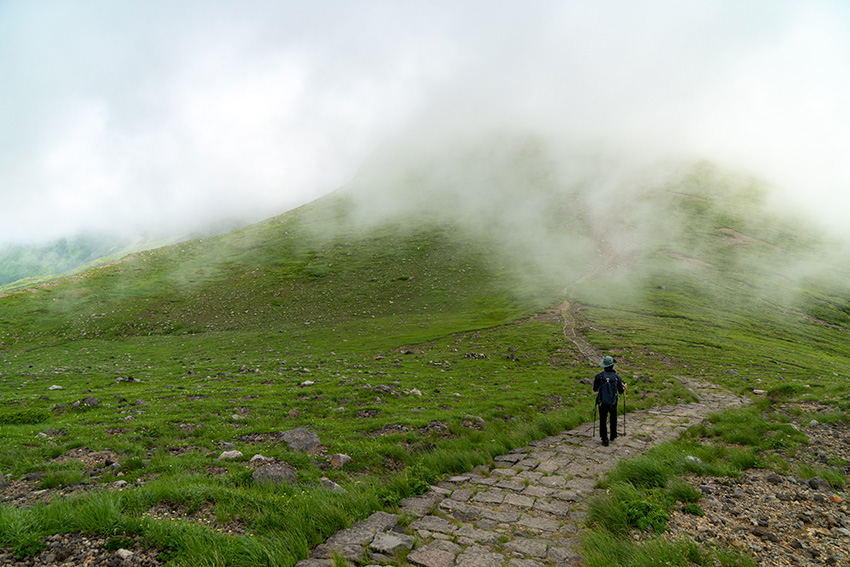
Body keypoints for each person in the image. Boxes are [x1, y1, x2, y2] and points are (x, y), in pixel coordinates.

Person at [593, 355, 626, 446]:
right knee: (613, 418)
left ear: (604, 366)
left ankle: (604, 439)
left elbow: (595, 389)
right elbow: (620, 391)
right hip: (613, 402)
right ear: (612, 365)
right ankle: (613, 435)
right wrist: (624, 387)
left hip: (602, 402)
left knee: (603, 419)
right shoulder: (616, 377)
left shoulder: (599, 376)